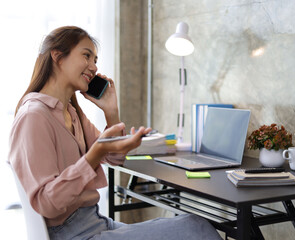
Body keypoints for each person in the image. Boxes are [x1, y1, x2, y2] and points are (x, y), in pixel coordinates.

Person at [8, 26, 222, 240]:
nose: (93, 67)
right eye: (86, 56)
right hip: (73, 235)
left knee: (192, 224)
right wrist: (95, 154)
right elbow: (46, 203)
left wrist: (111, 111)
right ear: (57, 56)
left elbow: (115, 157)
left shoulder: (71, 112)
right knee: (195, 227)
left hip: (95, 223)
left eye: (95, 60)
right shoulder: (34, 116)